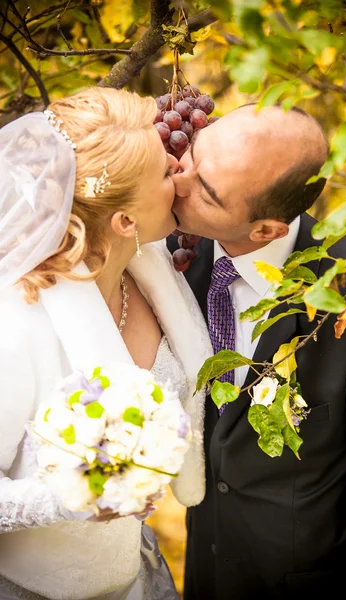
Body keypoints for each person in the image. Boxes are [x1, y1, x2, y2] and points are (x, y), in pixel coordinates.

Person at [167, 104, 346, 599]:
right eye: (193, 155)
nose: (177, 180)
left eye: (206, 193)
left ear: (266, 230)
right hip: (203, 572)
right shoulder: (175, 257)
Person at [0, 87, 213, 600]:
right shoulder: (16, 324)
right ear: (124, 222)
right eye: (164, 174)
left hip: (135, 572)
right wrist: (72, 497)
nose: (179, 169)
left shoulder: (154, 269)